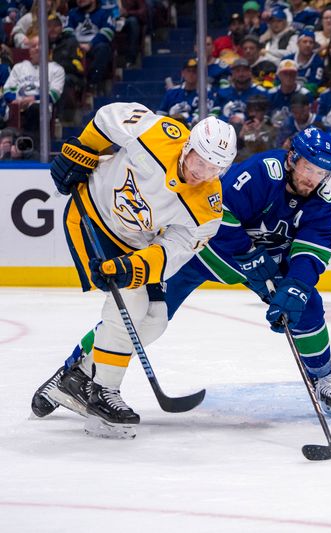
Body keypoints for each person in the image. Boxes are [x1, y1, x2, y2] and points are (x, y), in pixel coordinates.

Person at [30, 103, 237, 438]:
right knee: (132, 305)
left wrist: (134, 266)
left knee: (155, 319)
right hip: (91, 216)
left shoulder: (208, 209)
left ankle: (77, 378)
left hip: (136, 246)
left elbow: (174, 251)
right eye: (200, 161)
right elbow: (107, 118)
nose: (202, 172)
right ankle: (103, 391)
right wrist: (84, 148)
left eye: (214, 169)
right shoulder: (158, 134)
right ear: (188, 147)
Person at [2, 34, 65, 140]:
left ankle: (31, 145)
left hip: (40, 108)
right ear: (29, 50)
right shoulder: (19, 67)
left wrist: (33, 99)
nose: (36, 48)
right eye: (33, 46)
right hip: (19, 107)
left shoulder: (56, 69)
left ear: (47, 49)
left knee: (35, 109)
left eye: (39, 45)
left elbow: (54, 94)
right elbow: (7, 90)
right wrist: (17, 100)